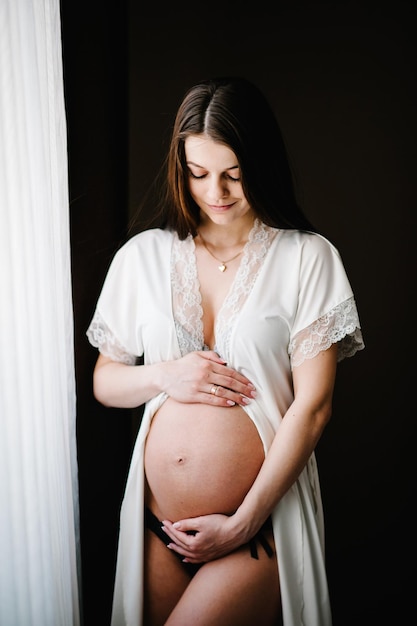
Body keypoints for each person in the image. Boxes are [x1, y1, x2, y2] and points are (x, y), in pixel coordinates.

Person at [86, 76, 364, 626]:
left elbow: (314, 408)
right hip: (157, 527)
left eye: (234, 174)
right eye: (199, 174)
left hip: (258, 526)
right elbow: (105, 380)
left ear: (260, 163)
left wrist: (240, 523)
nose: (216, 191)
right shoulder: (143, 257)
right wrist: (167, 375)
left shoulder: (308, 258)